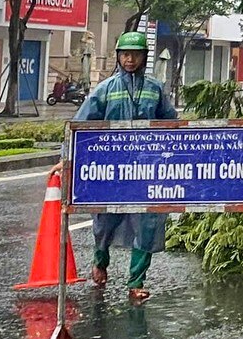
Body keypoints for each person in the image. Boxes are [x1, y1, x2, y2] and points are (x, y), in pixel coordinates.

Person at [73, 31, 177, 302]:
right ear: (119, 57)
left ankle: (136, 281)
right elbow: (80, 128)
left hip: (146, 172)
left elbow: (172, 126)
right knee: (104, 223)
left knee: (147, 224)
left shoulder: (155, 89)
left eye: (136, 55)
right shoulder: (105, 89)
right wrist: (67, 160)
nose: (130, 60)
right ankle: (100, 262)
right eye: (125, 55)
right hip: (111, 174)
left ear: (144, 58)